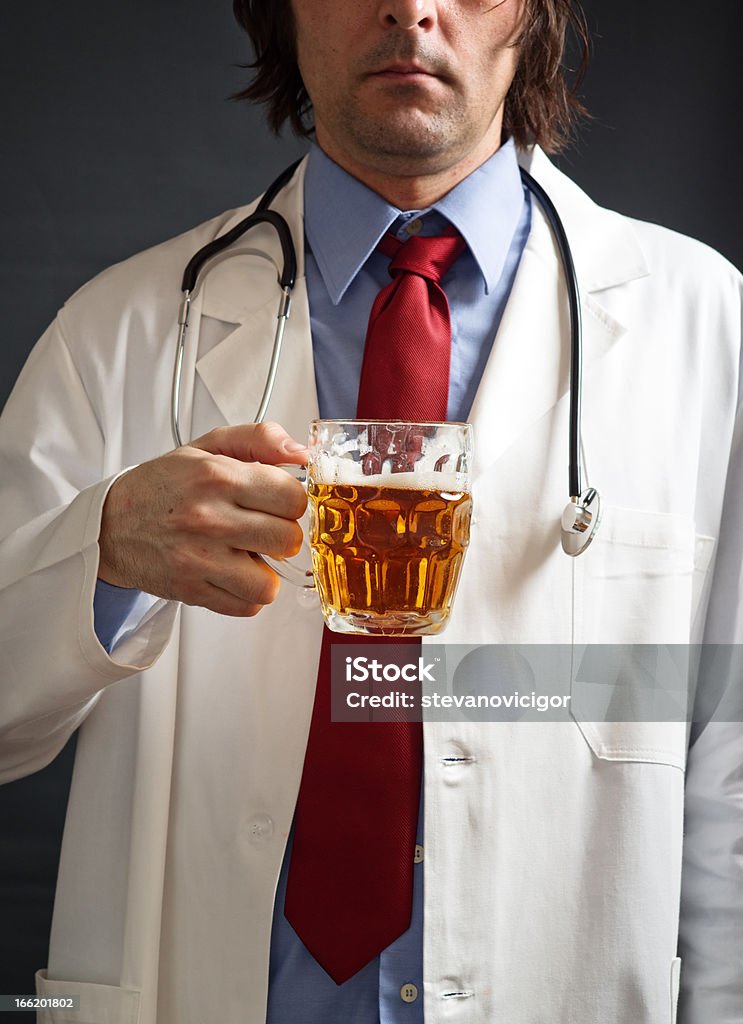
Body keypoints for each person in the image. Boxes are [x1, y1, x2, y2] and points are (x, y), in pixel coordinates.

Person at [0, 0, 741, 1021]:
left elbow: (732, 769)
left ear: (534, 15)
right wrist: (103, 554)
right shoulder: (120, 332)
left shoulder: (702, 325)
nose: (410, 7)